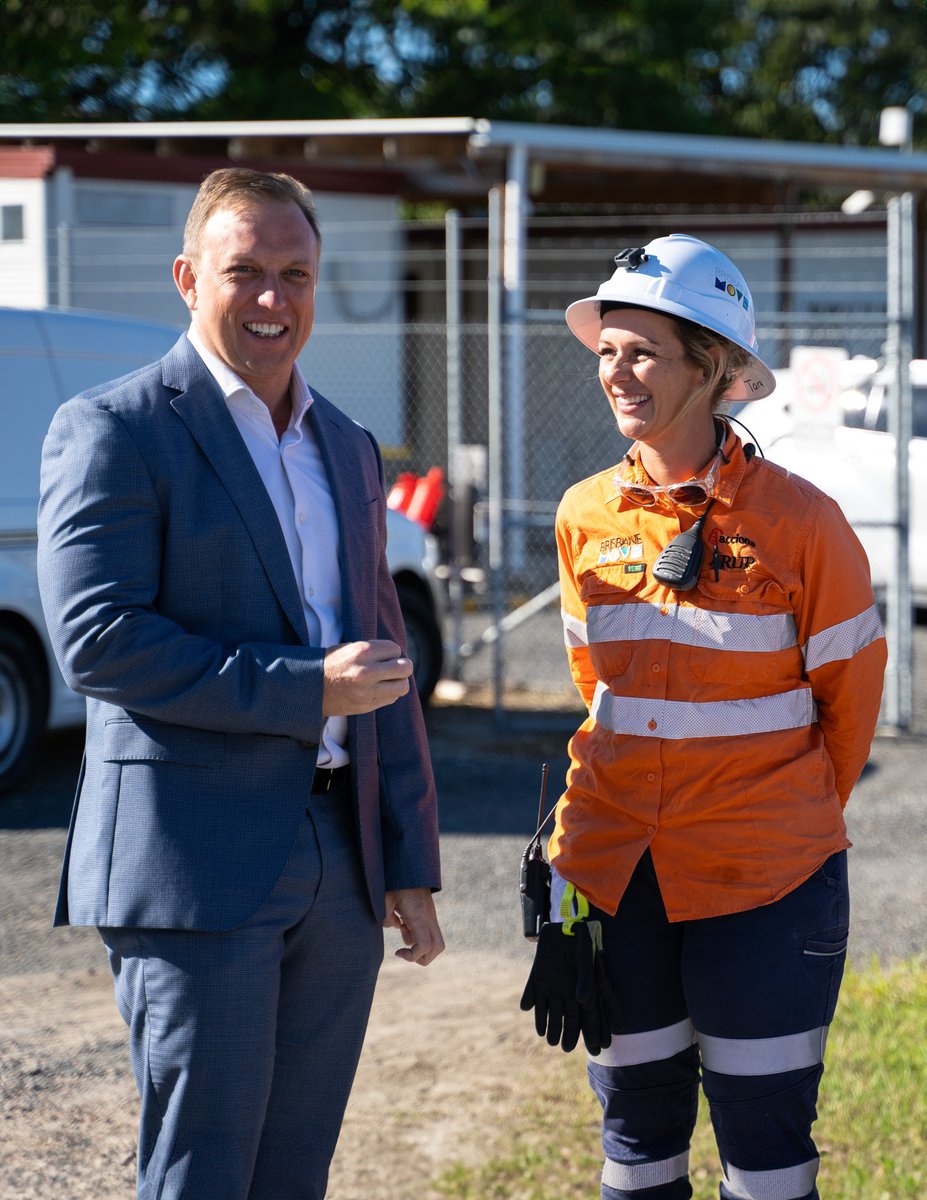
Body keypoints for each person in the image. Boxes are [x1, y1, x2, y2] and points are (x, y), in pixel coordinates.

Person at [37, 166, 444, 1200]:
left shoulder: (347, 447)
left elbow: (384, 660)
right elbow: (100, 641)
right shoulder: (116, 428)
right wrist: (306, 687)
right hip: (194, 862)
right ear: (187, 277)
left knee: (292, 1175)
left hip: (336, 864)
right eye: (245, 271)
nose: (274, 298)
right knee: (202, 1176)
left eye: (295, 273)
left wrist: (406, 857)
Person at [519, 234, 886, 1200]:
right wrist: (570, 874)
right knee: (634, 1146)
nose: (616, 371)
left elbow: (847, 715)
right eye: (606, 348)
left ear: (714, 365)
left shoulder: (805, 523)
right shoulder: (581, 514)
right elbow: (597, 695)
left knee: (765, 1157)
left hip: (765, 880)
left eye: (641, 350)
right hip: (611, 876)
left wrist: (774, 819)